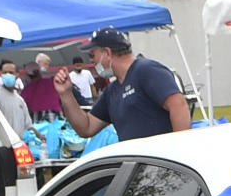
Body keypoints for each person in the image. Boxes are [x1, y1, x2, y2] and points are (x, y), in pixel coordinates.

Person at [53, 26, 191, 141]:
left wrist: (179, 152)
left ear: (107, 52)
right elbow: (86, 128)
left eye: (92, 55)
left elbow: (178, 105)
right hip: (138, 169)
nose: (92, 62)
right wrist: (66, 94)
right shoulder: (111, 91)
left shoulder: (147, 70)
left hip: (162, 167)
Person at [0, 69, 44, 144]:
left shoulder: (19, 99)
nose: (8, 75)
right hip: (4, 144)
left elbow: (28, 126)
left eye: (11, 72)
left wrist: (40, 136)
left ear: (17, 75)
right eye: (5, 72)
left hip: (19, 143)